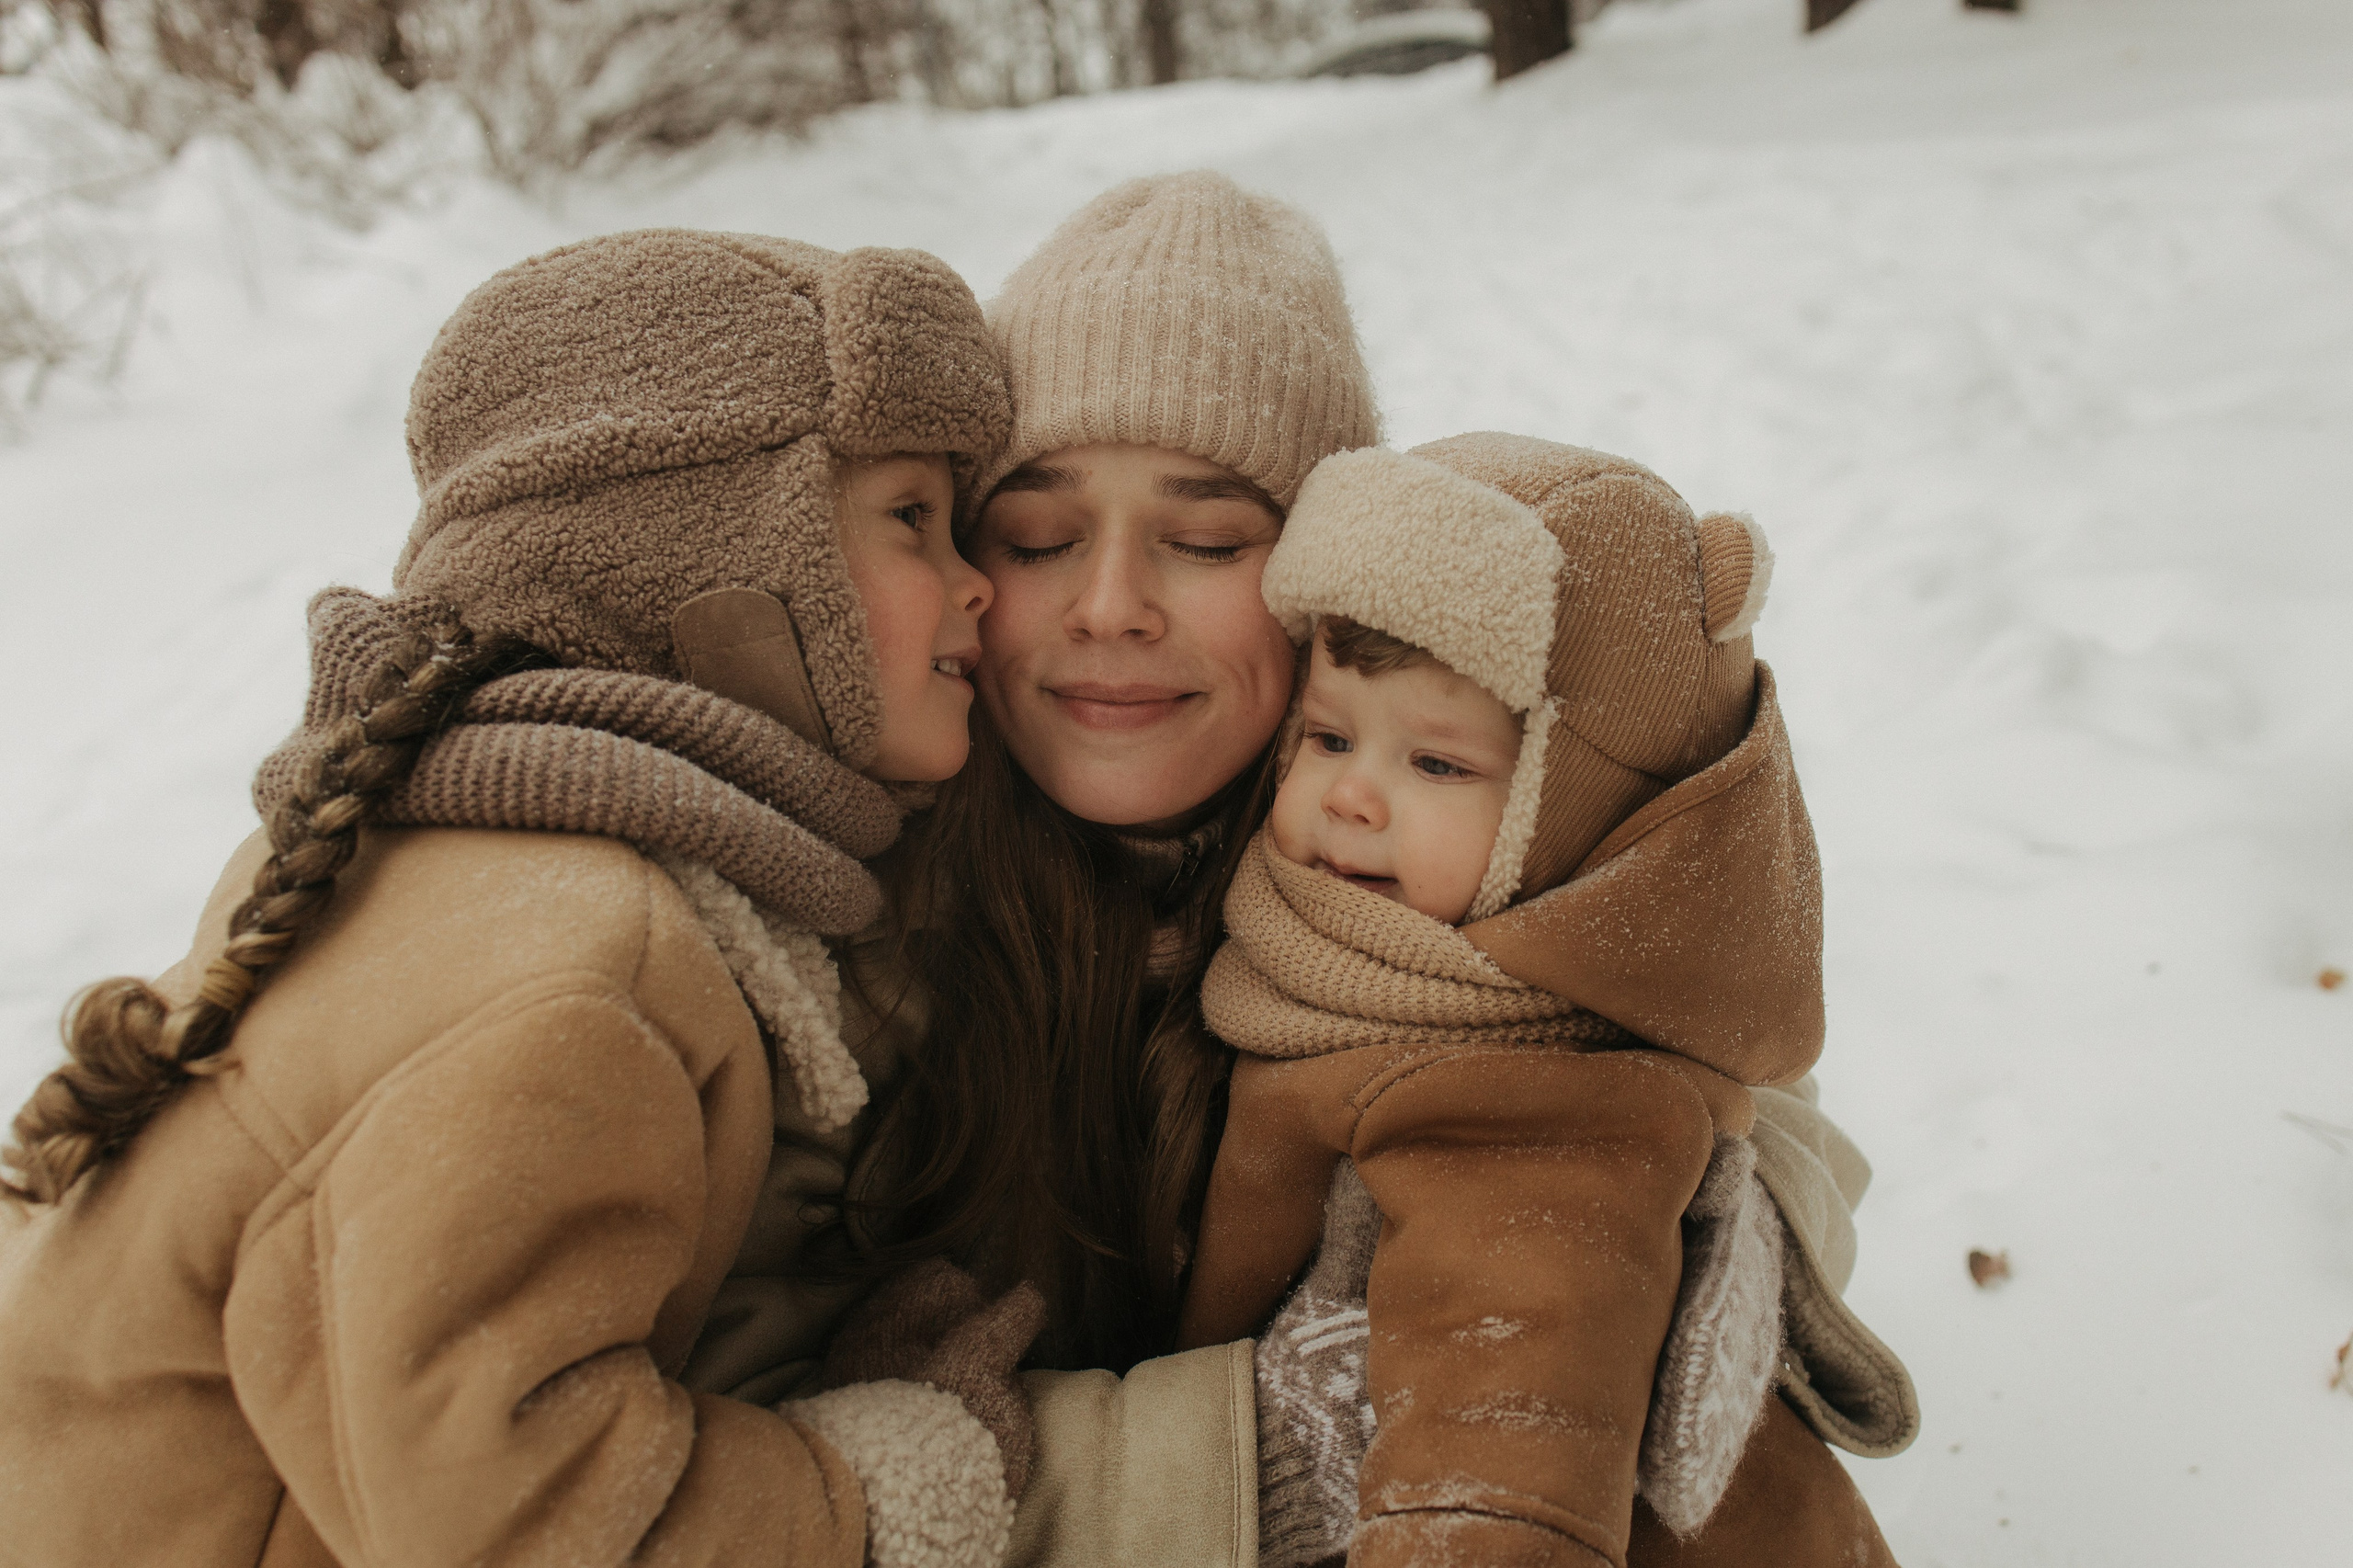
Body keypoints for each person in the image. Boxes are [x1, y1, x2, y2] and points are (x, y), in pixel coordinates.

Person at [686, 171, 1914, 1568]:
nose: (1108, 608)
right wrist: (1242, 1453)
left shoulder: (1435, 833)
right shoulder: (858, 906)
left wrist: (1726, 1239)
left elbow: (1701, 1031)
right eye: (1038, 536)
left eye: (1206, 540)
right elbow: (742, 1443)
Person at [0, 228, 1040, 1568]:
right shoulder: (580, 972)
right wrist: (880, 1482)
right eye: (911, 517)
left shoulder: (474, 848)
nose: (978, 582)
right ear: (711, 553)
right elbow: (522, 1516)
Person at [1175, 434, 1917, 1565]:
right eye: (1328, 736)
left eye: (1438, 765)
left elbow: (1502, 1449)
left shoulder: (1533, 1096)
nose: (1352, 795)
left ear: (1576, 817)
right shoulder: (1353, 972)